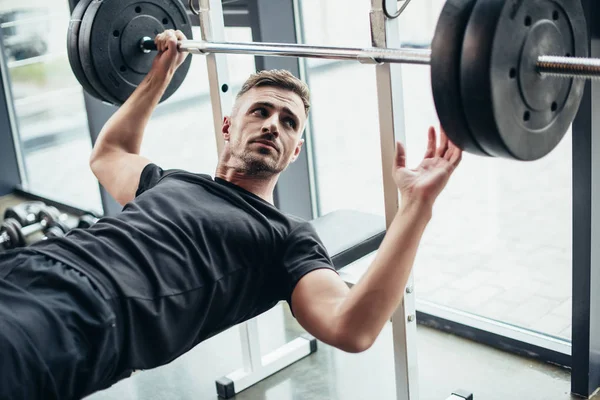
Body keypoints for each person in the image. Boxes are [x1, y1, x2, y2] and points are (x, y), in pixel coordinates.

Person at [0, 29, 462, 400]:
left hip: (80, 316)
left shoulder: (286, 238)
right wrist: (161, 73)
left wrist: (416, 208)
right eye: (260, 111)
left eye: (288, 122)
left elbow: (352, 328)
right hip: (26, 266)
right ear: (228, 124)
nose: (271, 125)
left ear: (296, 149)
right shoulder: (169, 181)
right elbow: (110, 152)